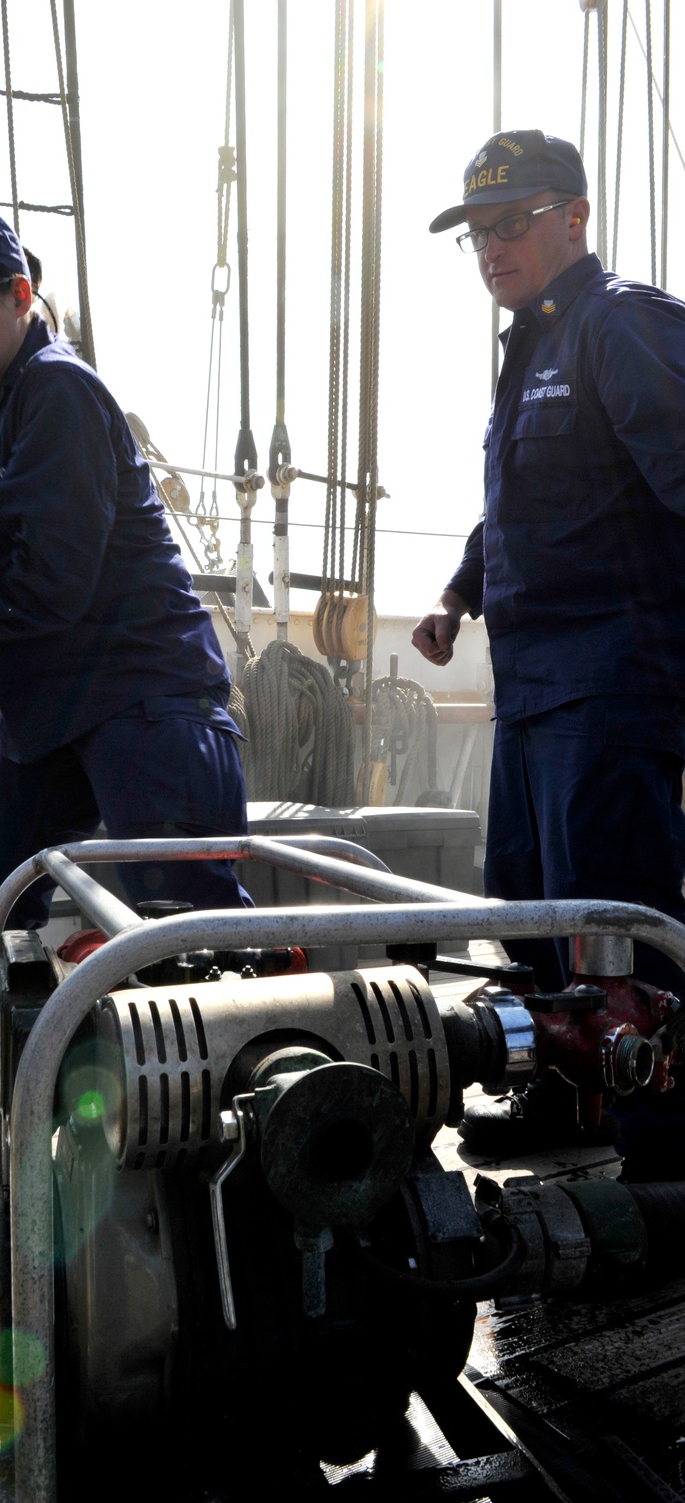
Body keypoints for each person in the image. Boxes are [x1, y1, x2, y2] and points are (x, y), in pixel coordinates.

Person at [0, 200, 250, 1178]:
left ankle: (231, 1149)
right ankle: (16, 1118)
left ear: (18, 294)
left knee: (184, 933)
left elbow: (50, 584)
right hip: (52, 718)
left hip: (148, 704)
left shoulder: (58, 396)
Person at [413, 130, 685, 1178]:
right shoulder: (532, 345)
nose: (490, 245)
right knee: (527, 914)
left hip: (611, 685)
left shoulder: (621, 326)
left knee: (617, 929)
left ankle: (664, 1156)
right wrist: (454, 595)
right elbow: (521, 509)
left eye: (510, 222)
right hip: (531, 691)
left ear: (574, 215)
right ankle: (570, 1101)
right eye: (476, 231)